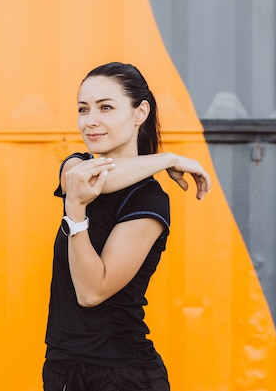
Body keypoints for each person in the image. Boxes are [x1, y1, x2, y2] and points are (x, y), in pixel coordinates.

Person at [43, 62, 211, 391]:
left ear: (140, 112)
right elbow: (94, 178)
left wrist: (76, 213)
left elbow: (92, 293)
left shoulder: (147, 199)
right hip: (63, 370)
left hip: (121, 374)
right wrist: (168, 159)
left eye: (106, 107)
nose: (90, 120)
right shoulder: (75, 166)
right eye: (83, 109)